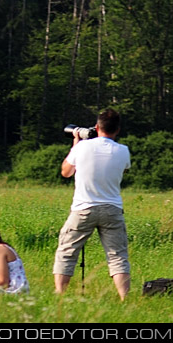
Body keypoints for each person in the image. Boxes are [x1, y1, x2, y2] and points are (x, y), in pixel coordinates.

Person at [53, 108, 131, 299]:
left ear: (97, 127)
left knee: (67, 251)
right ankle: (124, 297)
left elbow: (66, 172)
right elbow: (123, 169)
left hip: (83, 208)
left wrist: (76, 144)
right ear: (117, 129)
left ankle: (60, 294)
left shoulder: (82, 147)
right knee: (117, 255)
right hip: (112, 208)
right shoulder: (123, 151)